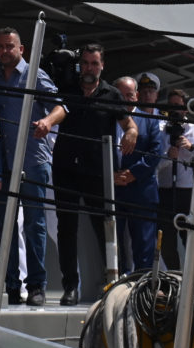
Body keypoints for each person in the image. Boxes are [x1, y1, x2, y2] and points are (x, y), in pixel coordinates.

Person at [51, 43, 137, 305]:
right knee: (67, 229)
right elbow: (56, 109)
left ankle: (114, 283)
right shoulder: (67, 88)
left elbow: (128, 123)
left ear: (102, 66)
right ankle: (70, 287)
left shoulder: (111, 94)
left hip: (97, 173)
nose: (89, 68)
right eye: (85, 63)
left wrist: (132, 132)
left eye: (94, 64)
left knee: (106, 228)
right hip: (66, 168)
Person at [0, 27, 66, 307]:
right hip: (5, 164)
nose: (4, 51)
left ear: (21, 49)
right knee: (5, 225)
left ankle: (36, 285)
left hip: (33, 161)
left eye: (10, 46)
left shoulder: (35, 75)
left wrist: (47, 121)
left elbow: (61, 108)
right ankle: (11, 285)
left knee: (35, 224)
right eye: (0, 46)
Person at [111, 77, 167, 273]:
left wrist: (133, 173)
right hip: (113, 189)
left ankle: (143, 282)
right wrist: (111, 175)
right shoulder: (106, 118)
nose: (125, 99)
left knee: (144, 244)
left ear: (136, 96)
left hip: (142, 190)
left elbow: (156, 152)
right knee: (113, 243)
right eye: (121, 95)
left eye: (129, 95)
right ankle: (118, 281)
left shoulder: (150, 120)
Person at [158, 88, 194, 270]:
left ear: (185, 108)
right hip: (165, 191)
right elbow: (154, 163)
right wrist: (168, 156)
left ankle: (193, 276)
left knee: (189, 238)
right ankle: (174, 275)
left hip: (187, 192)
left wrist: (191, 148)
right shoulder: (160, 129)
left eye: (178, 106)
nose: (174, 109)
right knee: (166, 240)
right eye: (171, 105)